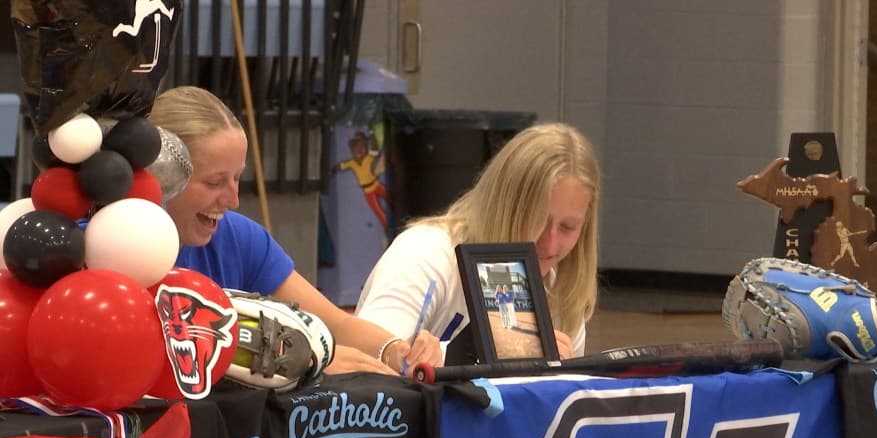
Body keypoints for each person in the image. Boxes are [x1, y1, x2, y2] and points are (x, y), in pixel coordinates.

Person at [148, 85, 443, 375]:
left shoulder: (239, 238)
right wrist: (299, 360)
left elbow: (335, 324)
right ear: (161, 176)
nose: (233, 201)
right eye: (214, 183)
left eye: (238, 178)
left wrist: (396, 349)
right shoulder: (120, 253)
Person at [355, 122, 601, 359]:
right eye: (535, 220)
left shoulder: (561, 293)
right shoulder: (425, 254)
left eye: (568, 227)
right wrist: (486, 352)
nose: (549, 243)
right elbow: (366, 360)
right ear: (503, 205)